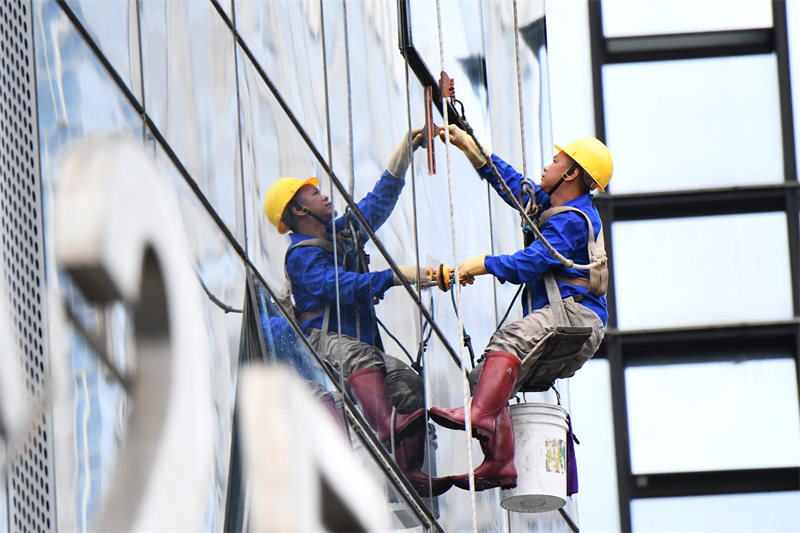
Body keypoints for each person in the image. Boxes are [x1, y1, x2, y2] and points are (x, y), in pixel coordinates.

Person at [262, 130, 452, 497]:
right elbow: (342, 286)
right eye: (314, 194)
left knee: (410, 386)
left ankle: (407, 471)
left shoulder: (343, 234)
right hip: (325, 343)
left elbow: (377, 203)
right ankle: (385, 426)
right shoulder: (301, 256)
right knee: (362, 357)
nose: (324, 195)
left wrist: (404, 153)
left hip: (357, 349)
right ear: (300, 211)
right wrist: (399, 277)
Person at [428, 124, 612, 491]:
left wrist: (479, 264)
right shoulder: (558, 207)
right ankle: (500, 464)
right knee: (482, 381)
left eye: (555, 161)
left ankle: (479, 416)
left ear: (572, 173)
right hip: (571, 319)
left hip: (577, 315)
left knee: (508, 341)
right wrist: (470, 146)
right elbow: (515, 186)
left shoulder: (573, 221)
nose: (547, 167)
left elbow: (529, 263)